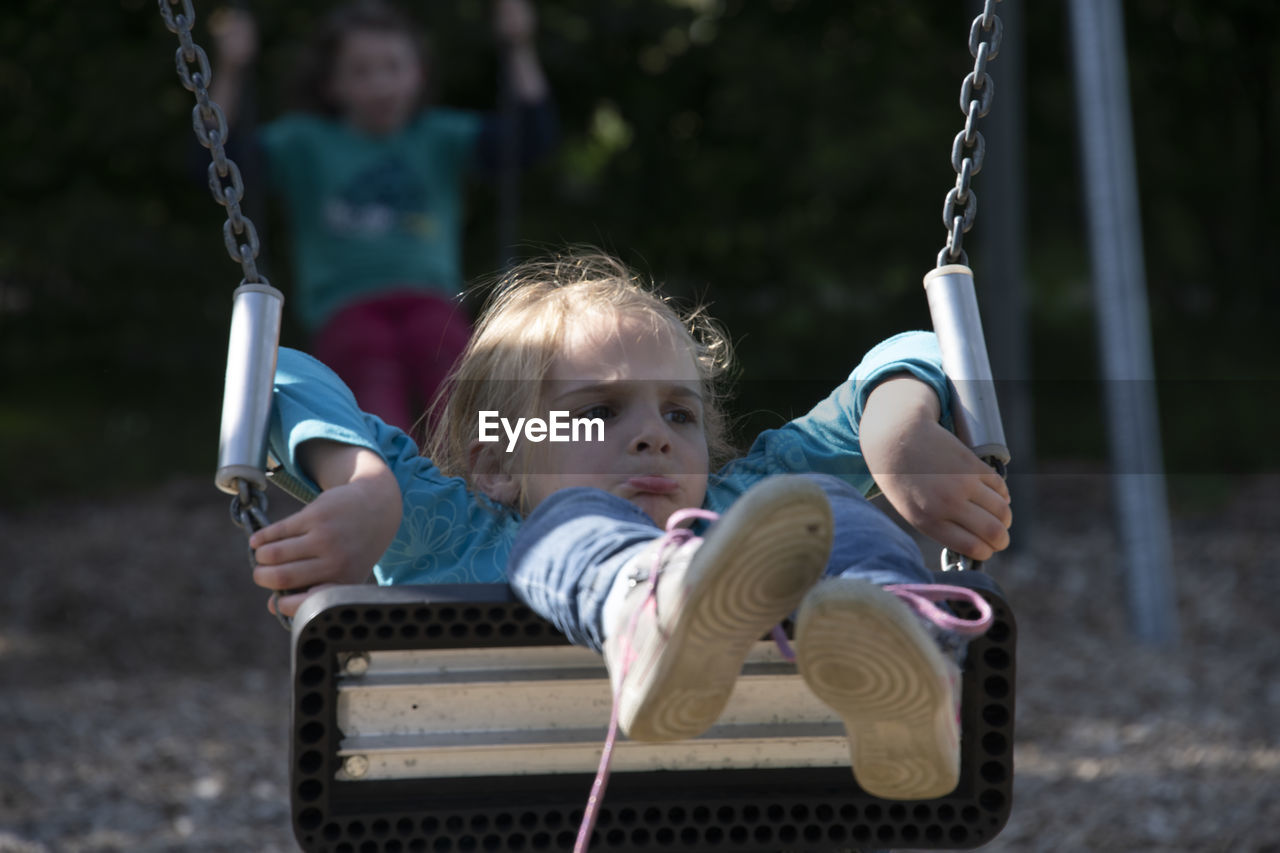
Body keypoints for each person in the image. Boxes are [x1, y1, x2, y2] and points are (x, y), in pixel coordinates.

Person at [249, 251, 1012, 804]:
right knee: (573, 520)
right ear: (495, 462)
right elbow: (275, 371)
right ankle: (649, 605)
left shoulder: (735, 503)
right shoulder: (447, 526)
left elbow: (914, 349)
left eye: (679, 413)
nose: (654, 436)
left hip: (729, 807)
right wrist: (363, 483)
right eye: (599, 411)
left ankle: (905, 659)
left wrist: (896, 432)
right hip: (497, 813)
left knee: (816, 500)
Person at [209, 0, 556, 437]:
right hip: (346, 308)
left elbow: (532, 139)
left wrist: (520, 45)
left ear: (419, 74)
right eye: (361, 72)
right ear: (332, 85)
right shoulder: (305, 143)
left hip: (432, 302)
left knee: (455, 376)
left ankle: (479, 474)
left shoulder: (439, 137)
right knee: (369, 379)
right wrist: (230, 69)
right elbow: (215, 160)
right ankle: (389, 479)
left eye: (393, 67)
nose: (380, 84)